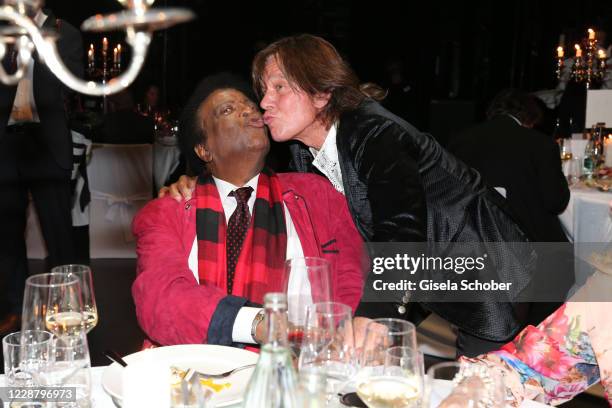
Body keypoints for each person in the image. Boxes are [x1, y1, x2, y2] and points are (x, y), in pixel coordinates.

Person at [161, 34, 536, 356]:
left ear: (322, 93)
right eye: (263, 91)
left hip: (489, 266)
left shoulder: (375, 133)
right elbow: (274, 192)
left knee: (488, 383)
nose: (264, 103)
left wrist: (371, 317)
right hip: (424, 277)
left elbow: (402, 231)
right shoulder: (306, 151)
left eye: (279, 88)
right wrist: (195, 182)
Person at [133, 73, 364, 346]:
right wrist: (259, 324)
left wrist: (354, 326)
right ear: (204, 149)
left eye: (251, 106)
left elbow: (355, 274)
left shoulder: (316, 195)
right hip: (194, 376)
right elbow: (161, 299)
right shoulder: (167, 211)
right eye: (227, 110)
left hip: (305, 367)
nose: (249, 110)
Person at [0, 2, 82, 334]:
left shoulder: (66, 34)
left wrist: (33, 41)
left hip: (46, 146)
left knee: (59, 235)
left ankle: (67, 309)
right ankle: (14, 310)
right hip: (7, 145)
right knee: (6, 238)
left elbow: (73, 82)